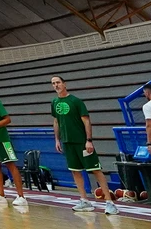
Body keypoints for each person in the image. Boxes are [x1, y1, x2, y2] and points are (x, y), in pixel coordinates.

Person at [50, 77, 118, 215]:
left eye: (58, 82)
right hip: (67, 142)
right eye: (53, 83)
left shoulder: (76, 101)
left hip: (81, 142)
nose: (56, 85)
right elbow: (56, 121)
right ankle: (84, 200)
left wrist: (89, 140)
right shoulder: (54, 102)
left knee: (95, 169)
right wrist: (57, 139)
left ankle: (110, 203)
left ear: (64, 84)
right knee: (75, 171)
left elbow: (86, 121)